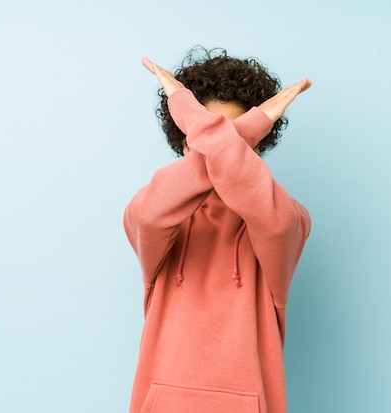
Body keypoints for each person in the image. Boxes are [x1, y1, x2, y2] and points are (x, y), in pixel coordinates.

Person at [124, 47, 311, 413]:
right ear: (184, 141)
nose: (218, 148)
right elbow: (148, 216)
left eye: (238, 138)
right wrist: (245, 130)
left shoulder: (288, 217)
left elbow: (275, 222)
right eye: (203, 135)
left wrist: (194, 116)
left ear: (255, 147)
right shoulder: (155, 211)